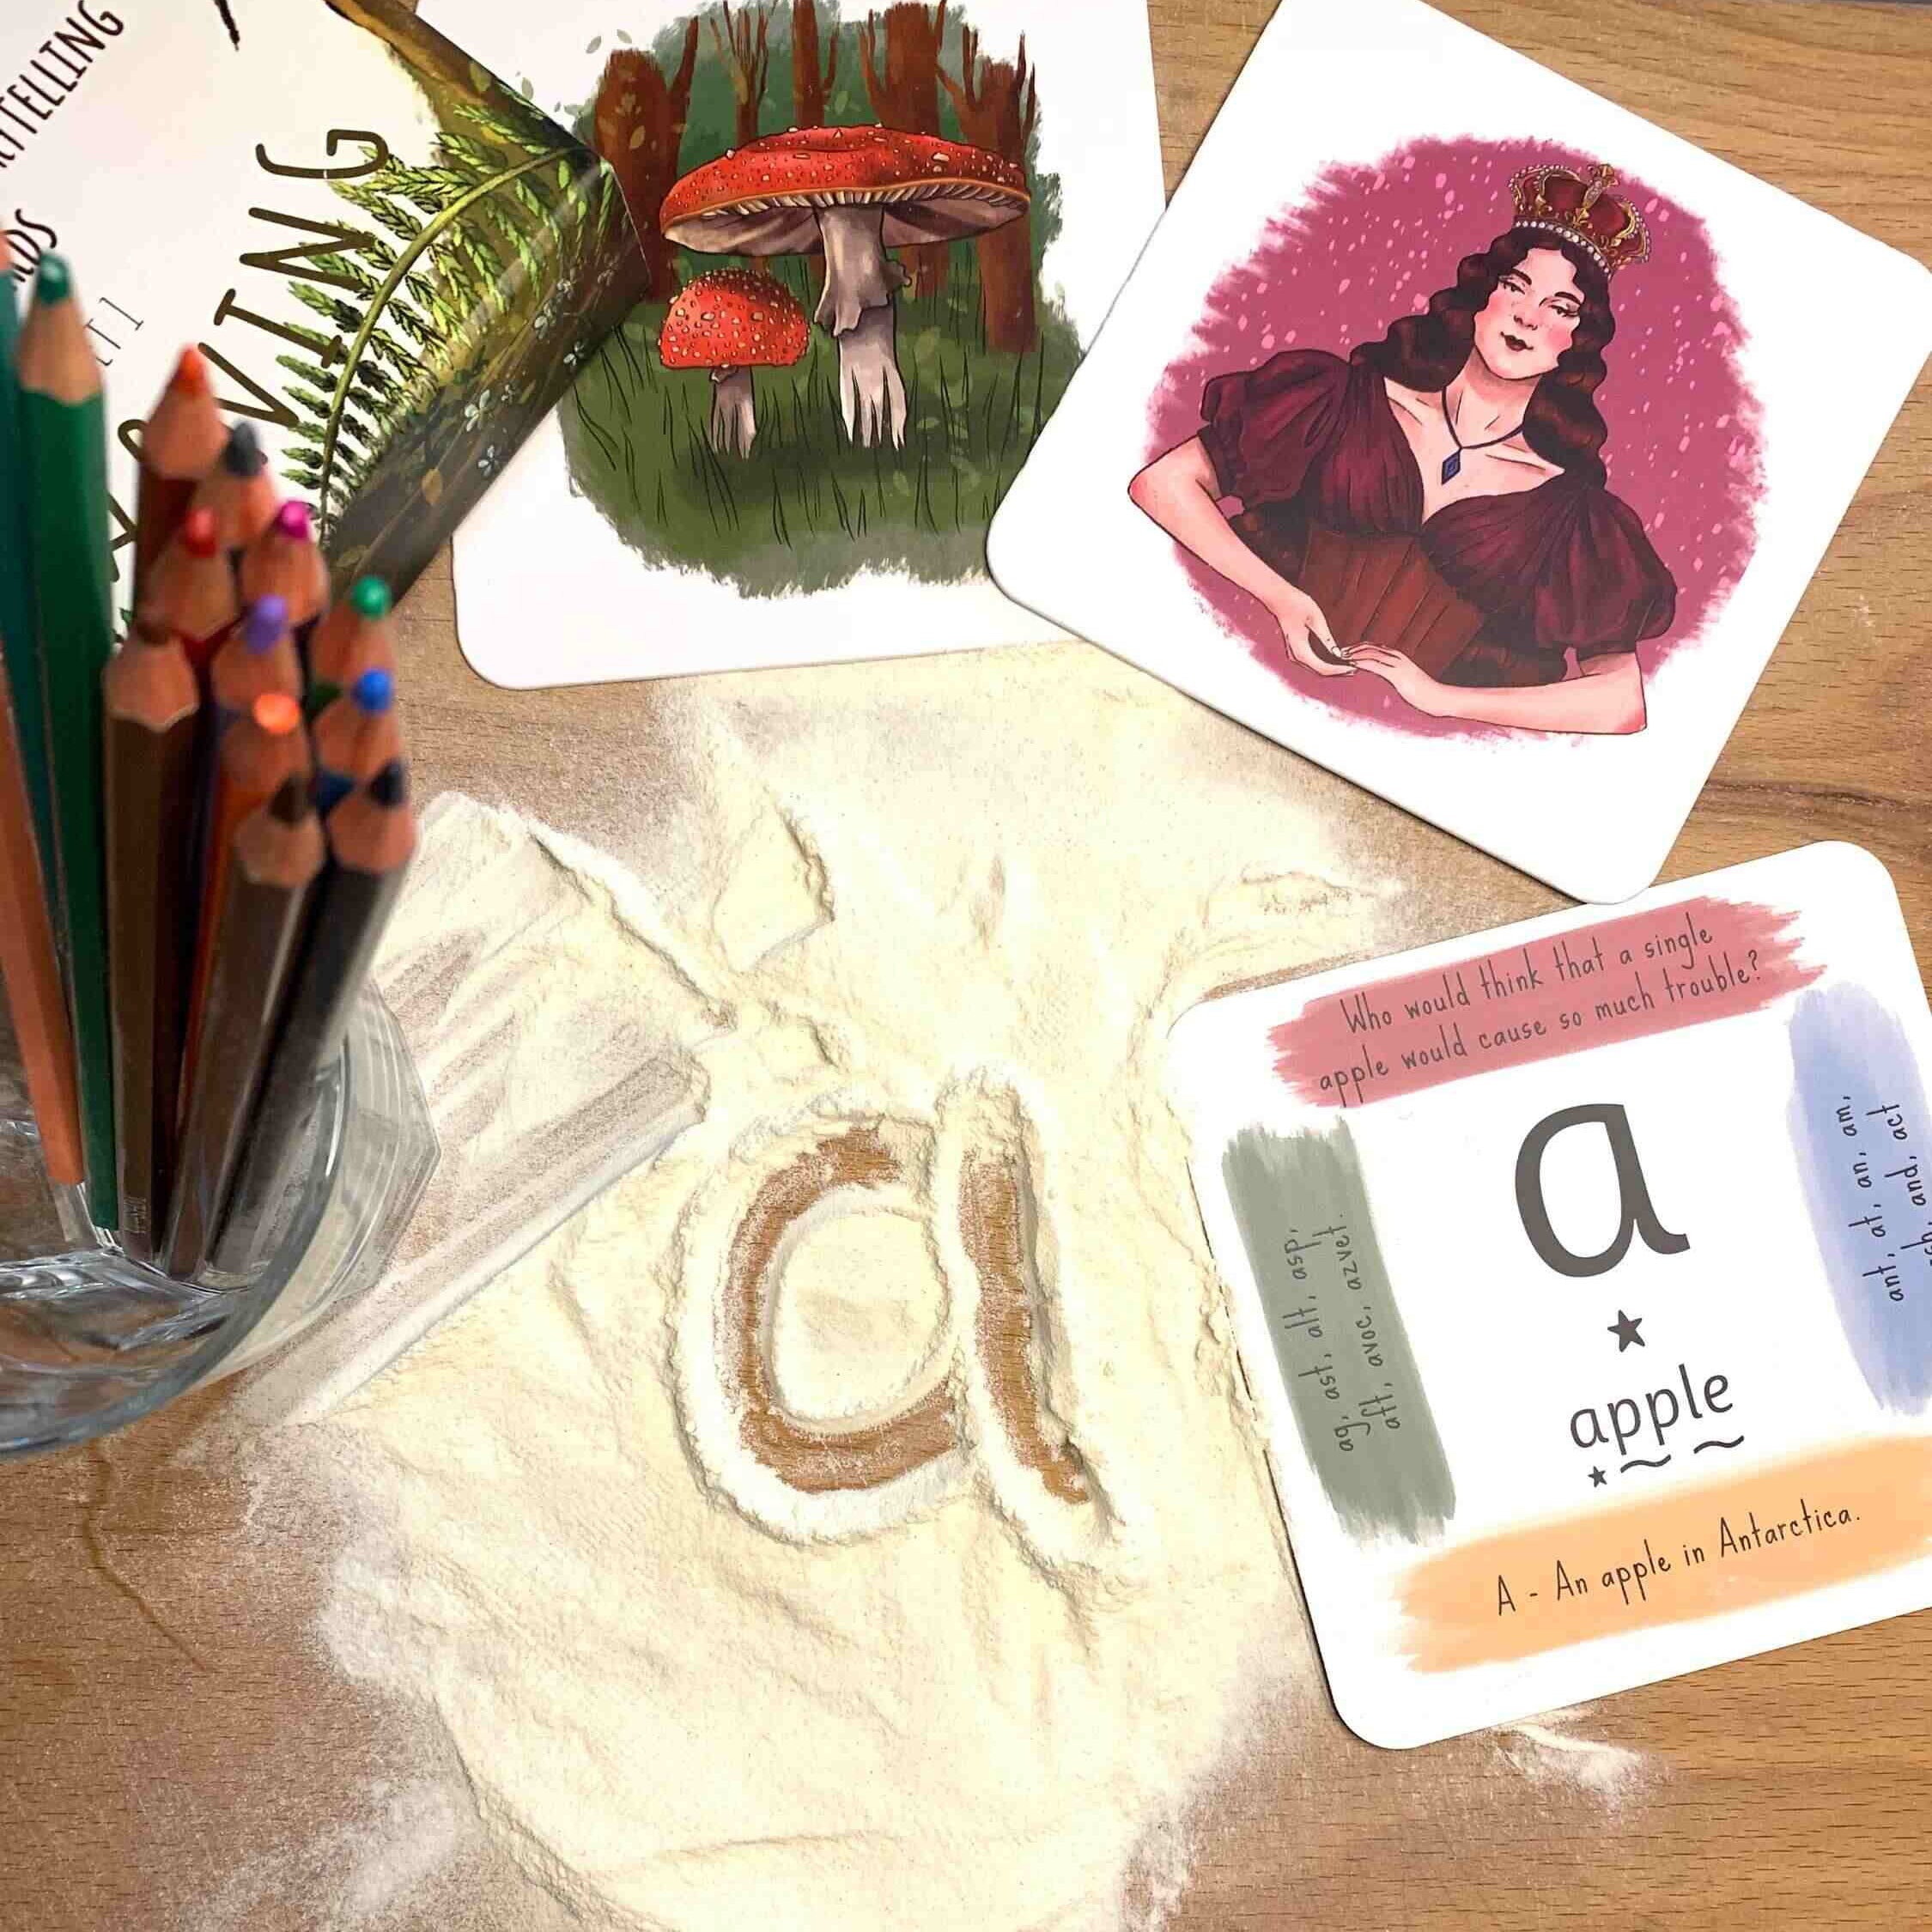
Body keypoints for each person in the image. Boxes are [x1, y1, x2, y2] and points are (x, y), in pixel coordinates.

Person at [1129, 162, 1678, 734]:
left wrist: (1440, 698)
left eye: (1560, 308)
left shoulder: (1573, 515)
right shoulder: (1342, 399)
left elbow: (1620, 703)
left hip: (1406, 759)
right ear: (1481, 295)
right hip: (1225, 688)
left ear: (1578, 340)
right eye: (1515, 287)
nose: (1528, 317)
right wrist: (1281, 600)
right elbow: (1163, 484)